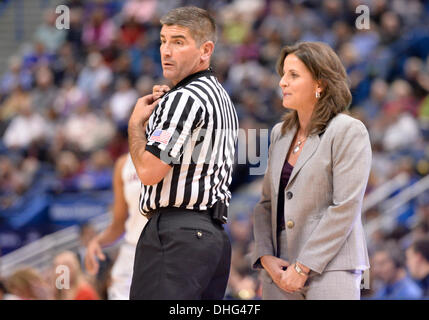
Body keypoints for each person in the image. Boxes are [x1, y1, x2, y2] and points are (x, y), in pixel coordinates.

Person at [127, 6, 239, 300]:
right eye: (163, 40)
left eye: (178, 42)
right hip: (211, 239)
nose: (166, 50)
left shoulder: (184, 98)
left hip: (177, 235)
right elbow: (191, 156)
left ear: (206, 50)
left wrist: (135, 125)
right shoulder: (221, 98)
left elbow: (150, 171)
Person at [252, 41, 372, 300]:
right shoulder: (279, 134)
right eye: (283, 74)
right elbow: (265, 205)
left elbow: (345, 207)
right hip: (278, 268)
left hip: (331, 264)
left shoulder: (347, 130)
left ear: (320, 84)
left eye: (293, 75)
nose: (282, 82)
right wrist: (265, 257)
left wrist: (303, 265)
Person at [84, 152, 147, 299]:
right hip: (133, 250)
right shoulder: (123, 164)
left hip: (166, 249)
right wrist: (97, 242)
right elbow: (119, 223)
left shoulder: (171, 151)